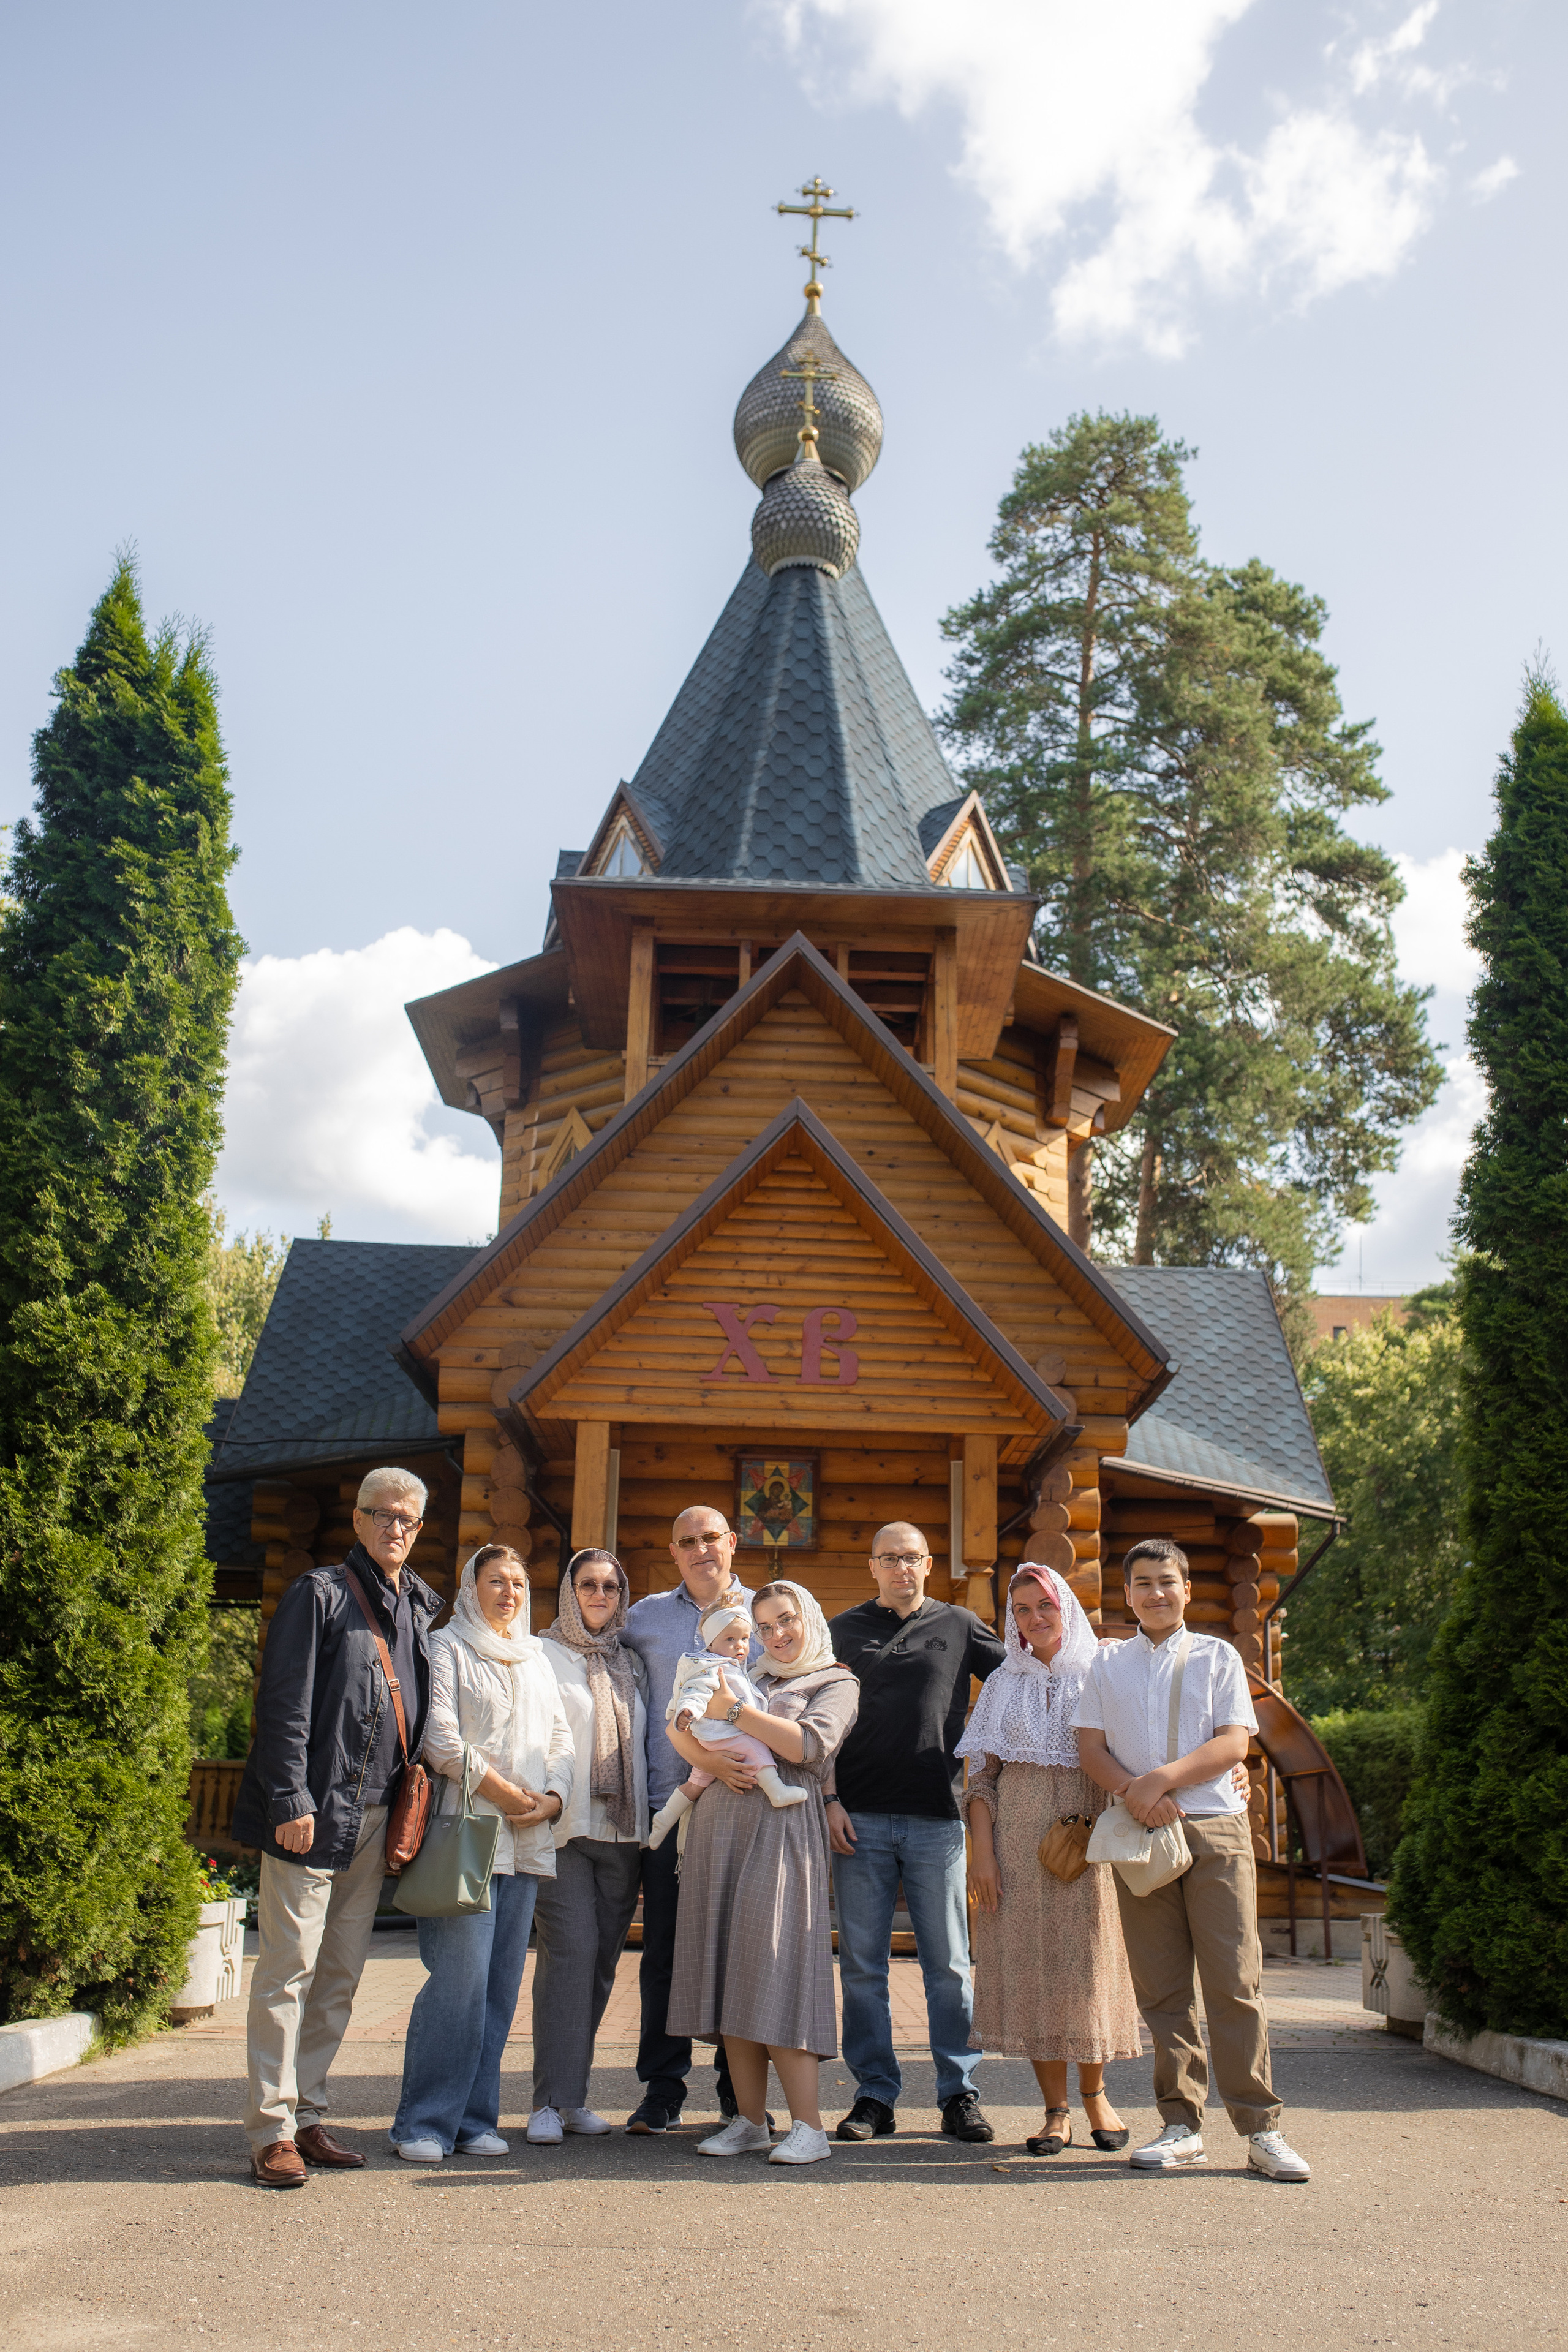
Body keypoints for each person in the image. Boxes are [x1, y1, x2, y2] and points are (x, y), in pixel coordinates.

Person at [1074, 1537, 1312, 2183]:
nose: (1156, 1593)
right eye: (1143, 1582)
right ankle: (1180, 2124)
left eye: (1167, 1581)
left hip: (1214, 1830)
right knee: (1163, 1988)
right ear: (1126, 1594)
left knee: (1234, 1981)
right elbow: (1090, 1747)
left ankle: (1261, 2129)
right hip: (1140, 1837)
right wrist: (1132, 1791)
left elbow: (1234, 1741)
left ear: (1185, 1589)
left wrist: (1159, 1781)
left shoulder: (1217, 1655)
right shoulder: (1107, 1665)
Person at [233, 1466, 442, 2189]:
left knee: (339, 1978)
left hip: (377, 1817)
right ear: (357, 1520)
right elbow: (284, 1706)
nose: (395, 1528)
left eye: (408, 1520)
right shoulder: (318, 1594)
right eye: (383, 1515)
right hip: (314, 1814)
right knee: (287, 1973)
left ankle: (308, 2112)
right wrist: (289, 1799)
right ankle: (271, 2129)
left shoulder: (417, 1604)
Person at [389, 1545, 575, 2163]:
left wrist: (552, 1797)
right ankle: (423, 2123)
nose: (510, 1593)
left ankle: (473, 2122)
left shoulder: (538, 1658)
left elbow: (559, 1738)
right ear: (472, 1587)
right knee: (458, 1985)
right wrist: (499, 1788)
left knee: (499, 1987)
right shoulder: (448, 1647)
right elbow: (438, 1737)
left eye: (520, 1583)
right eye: (497, 1581)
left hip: (525, 1840)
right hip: (466, 1836)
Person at [666, 1580, 860, 2166]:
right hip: (719, 1827)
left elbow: (809, 1745)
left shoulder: (835, 1680)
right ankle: (750, 2121)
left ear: (810, 1619)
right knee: (732, 1968)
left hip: (781, 1832)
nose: (775, 1635)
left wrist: (735, 1713)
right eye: (765, 1625)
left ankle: (810, 2127)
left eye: (786, 1621)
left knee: (775, 1965)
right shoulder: (749, 1673)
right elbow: (684, 1730)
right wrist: (709, 1759)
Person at [826, 1523, 1006, 2144]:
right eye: (889, 1558)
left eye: (911, 1558)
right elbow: (809, 1711)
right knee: (862, 1967)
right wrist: (827, 1798)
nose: (901, 1568)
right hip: (860, 1818)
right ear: (871, 1565)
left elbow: (1019, 1683)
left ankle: (958, 2093)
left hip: (938, 1817)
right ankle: (874, 2094)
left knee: (950, 1967)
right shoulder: (840, 1631)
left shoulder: (958, 1624)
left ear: (928, 1564)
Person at [960, 1564, 1141, 2155]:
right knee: (1035, 1972)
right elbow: (981, 1779)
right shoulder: (1004, 1684)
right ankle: (1054, 2111)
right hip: (1013, 1845)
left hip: (1090, 1843)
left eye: (1045, 1605)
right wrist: (982, 1855)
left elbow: (1145, 1745)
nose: (1035, 1619)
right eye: (1022, 1610)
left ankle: (1096, 2097)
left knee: (1085, 1968)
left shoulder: (1104, 1671)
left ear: (1065, 1605)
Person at [619, 1507, 758, 2133]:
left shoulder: (772, 1611)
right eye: (687, 1542)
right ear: (673, 1553)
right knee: (666, 1953)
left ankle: (739, 2090)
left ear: (731, 1544)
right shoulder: (643, 1618)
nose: (701, 1549)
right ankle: (663, 2087)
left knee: (739, 1951)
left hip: (746, 1811)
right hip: (668, 1806)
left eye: (711, 1539)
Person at [529, 1547, 650, 2144]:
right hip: (565, 1832)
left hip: (624, 1835)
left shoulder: (631, 1662)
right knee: (571, 1957)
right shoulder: (542, 1655)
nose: (599, 1595)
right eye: (588, 1584)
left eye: (610, 1586)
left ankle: (573, 2098)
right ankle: (547, 2102)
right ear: (568, 1591)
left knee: (601, 1965)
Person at [647, 1600, 808, 1846]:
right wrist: (687, 1709)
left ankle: (665, 1818)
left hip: (715, 1739)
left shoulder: (730, 1665)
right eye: (730, 1639)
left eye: (744, 1639)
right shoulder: (712, 1667)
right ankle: (777, 1791)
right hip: (725, 1734)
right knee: (756, 1748)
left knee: (695, 1783)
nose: (740, 1646)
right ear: (711, 1642)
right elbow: (696, 1691)